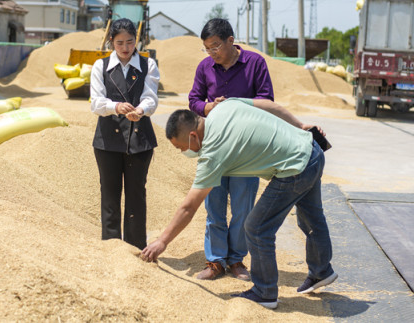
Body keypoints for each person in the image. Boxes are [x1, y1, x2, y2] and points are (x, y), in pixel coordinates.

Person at [141, 98, 337, 309]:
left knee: (256, 227)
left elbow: (189, 207)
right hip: (311, 149)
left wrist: (162, 241)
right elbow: (268, 104)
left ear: (193, 136)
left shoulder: (213, 152)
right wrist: (299, 125)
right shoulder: (223, 107)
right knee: (312, 217)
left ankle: (265, 292)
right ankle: (321, 271)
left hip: (295, 169)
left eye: (181, 147)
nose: (182, 152)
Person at [188, 18, 274, 281]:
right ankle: (215, 261)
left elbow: (267, 100)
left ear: (230, 40)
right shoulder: (205, 67)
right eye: (207, 48)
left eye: (215, 46)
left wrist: (237, 105)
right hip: (214, 147)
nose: (212, 53)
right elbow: (193, 100)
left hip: (245, 149)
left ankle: (237, 260)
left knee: (243, 208)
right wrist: (209, 108)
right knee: (214, 207)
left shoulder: (256, 63)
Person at [90, 18, 160, 250]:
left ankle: (136, 247)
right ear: (111, 42)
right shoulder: (100, 66)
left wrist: (141, 110)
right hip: (107, 140)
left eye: (130, 42)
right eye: (119, 42)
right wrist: (116, 107)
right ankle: (111, 249)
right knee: (109, 196)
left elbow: (151, 97)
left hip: (140, 140)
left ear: (136, 40)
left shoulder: (147, 65)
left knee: (136, 195)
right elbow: (96, 103)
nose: (125, 47)